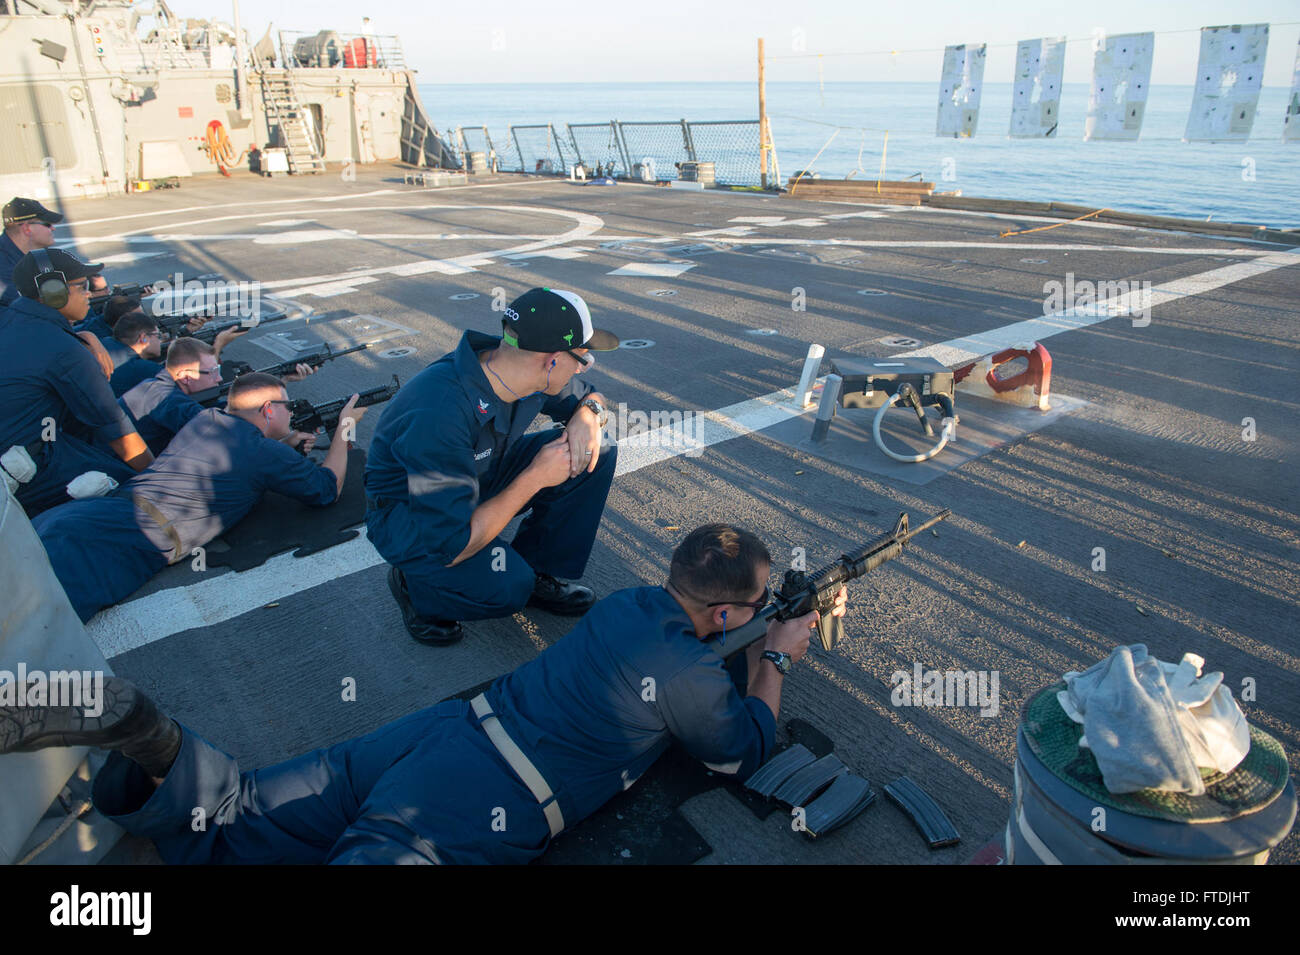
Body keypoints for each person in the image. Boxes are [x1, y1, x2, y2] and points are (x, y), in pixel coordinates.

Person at [0, 524, 849, 864]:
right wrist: (776, 656)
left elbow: (672, 658)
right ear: (731, 611)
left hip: (441, 733)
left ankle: (143, 737)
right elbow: (744, 748)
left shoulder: (633, 605)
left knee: (243, 810)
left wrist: (747, 630)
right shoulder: (699, 677)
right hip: (485, 795)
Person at [365, 287, 620, 645]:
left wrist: (588, 414)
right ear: (552, 361)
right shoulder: (438, 412)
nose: (584, 366)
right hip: (412, 512)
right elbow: (451, 543)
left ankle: (538, 570)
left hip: (473, 474)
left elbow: (591, 396)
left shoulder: (514, 366)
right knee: (506, 587)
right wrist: (533, 479)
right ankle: (417, 588)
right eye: (583, 358)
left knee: (596, 452)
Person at [30, 372, 361, 622]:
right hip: (120, 537)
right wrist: (344, 427)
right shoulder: (261, 452)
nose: (291, 413)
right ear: (268, 410)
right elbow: (326, 489)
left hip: (90, 514)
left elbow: (237, 458)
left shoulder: (207, 418)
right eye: (287, 406)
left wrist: (286, 447)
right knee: (39, 626)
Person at [0, 249, 153, 516]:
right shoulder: (63, 350)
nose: (89, 293)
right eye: (81, 286)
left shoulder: (13, 319)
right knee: (130, 485)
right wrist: (158, 479)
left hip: (19, 451)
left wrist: (85, 337)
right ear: (51, 292)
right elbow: (116, 430)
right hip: (25, 468)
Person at [120, 338, 317, 455]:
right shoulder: (166, 399)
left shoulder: (161, 386)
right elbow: (224, 434)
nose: (219, 378)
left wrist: (281, 381)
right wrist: (282, 443)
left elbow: (224, 408)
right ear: (186, 377)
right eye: (213, 372)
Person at [0, 198, 60, 309]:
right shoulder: (3, 268)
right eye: (47, 224)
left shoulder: (38, 255)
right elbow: (29, 309)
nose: (53, 228)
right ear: (27, 228)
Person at [107, 310, 165, 396]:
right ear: (143, 338)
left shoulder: (105, 344)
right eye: (158, 336)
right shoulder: (141, 368)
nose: (161, 341)